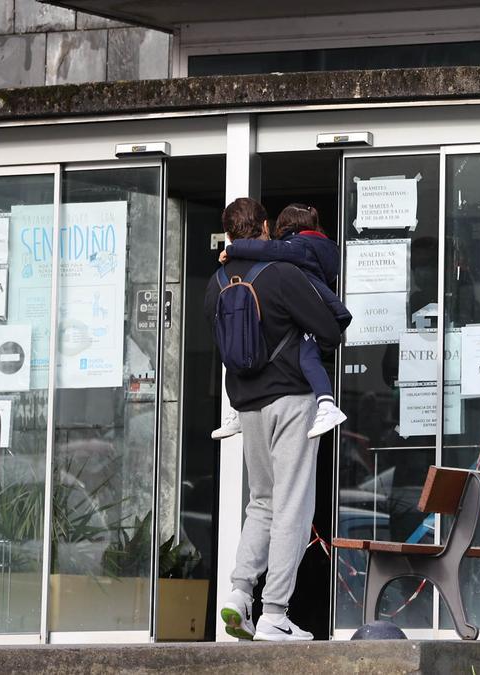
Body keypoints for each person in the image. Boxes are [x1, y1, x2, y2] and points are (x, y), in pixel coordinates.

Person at [205, 197, 343, 642]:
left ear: (228, 235)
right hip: (292, 403)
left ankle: (239, 592)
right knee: (292, 508)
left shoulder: (216, 282)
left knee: (260, 503)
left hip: (248, 409)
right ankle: (275, 613)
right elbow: (329, 330)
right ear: (265, 226)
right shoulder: (282, 275)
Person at [211, 203, 351, 440]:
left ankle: (327, 404)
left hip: (254, 399)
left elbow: (271, 251)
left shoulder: (296, 248)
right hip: (289, 390)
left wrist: (233, 250)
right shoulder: (316, 250)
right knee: (307, 355)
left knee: (236, 348)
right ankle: (325, 403)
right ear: (265, 225)